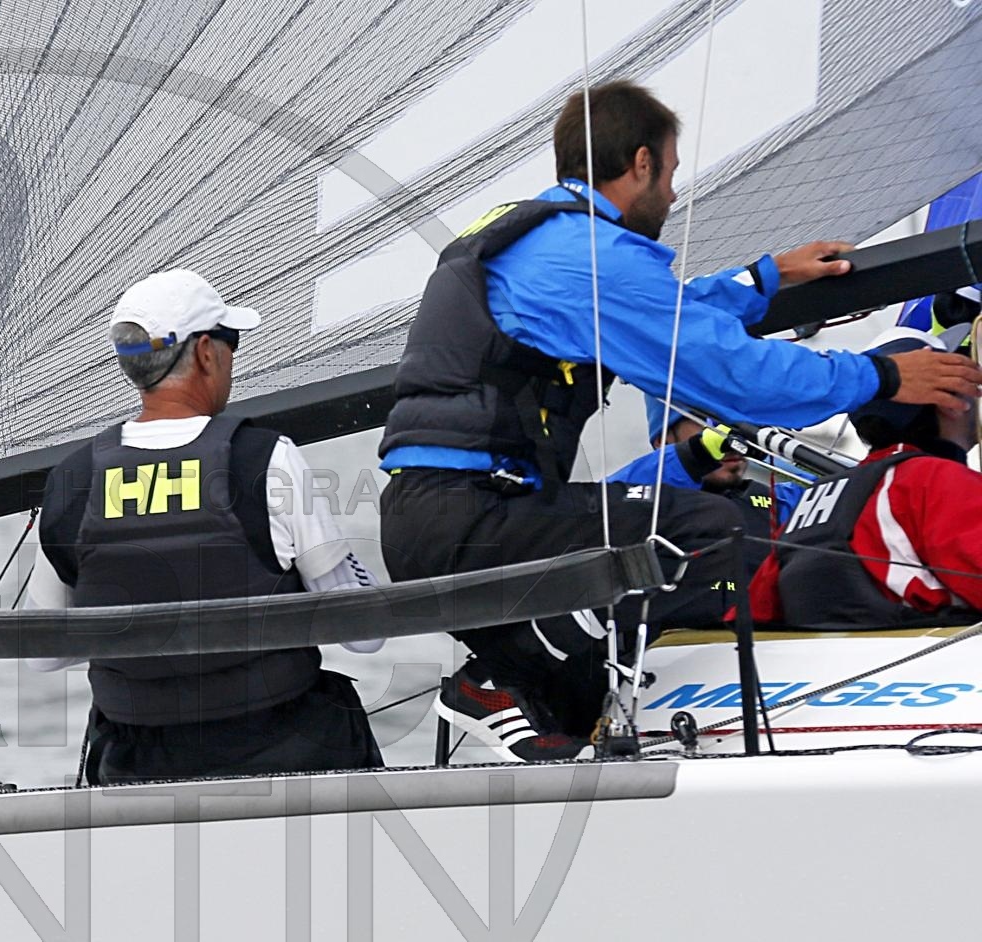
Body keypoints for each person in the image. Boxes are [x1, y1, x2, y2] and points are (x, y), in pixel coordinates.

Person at [377, 79, 982, 761]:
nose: (671, 195)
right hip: (474, 518)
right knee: (700, 532)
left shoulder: (541, 239)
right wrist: (884, 376)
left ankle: (557, 717)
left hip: (443, 514)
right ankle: (500, 680)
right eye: (669, 173)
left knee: (660, 531)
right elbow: (733, 375)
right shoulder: (592, 256)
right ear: (640, 163)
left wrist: (765, 279)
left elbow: (668, 310)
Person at [29, 269, 385, 784]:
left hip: (137, 770)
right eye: (230, 340)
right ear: (203, 353)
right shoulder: (266, 460)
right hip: (285, 754)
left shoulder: (74, 479)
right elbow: (364, 635)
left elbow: (43, 656)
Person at [750, 332, 982, 629]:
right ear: (950, 401)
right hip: (931, 651)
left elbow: (758, 609)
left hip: (828, 653)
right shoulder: (935, 480)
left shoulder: (819, 497)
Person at [604, 394, 803, 612]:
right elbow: (601, 507)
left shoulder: (779, 503)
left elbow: (826, 492)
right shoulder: (640, 504)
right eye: (710, 424)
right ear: (663, 441)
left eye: (742, 424)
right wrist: (698, 453)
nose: (733, 438)